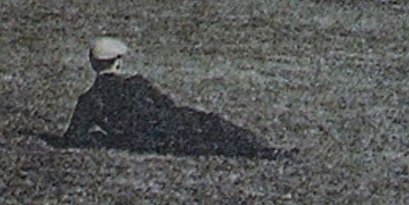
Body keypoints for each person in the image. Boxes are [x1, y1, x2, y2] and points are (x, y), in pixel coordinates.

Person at [58, 38, 281, 158]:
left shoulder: (89, 99)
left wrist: (109, 139)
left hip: (141, 141)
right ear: (118, 62)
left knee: (208, 144)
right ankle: (263, 150)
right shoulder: (135, 83)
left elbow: (73, 138)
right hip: (170, 125)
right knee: (215, 127)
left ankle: (261, 152)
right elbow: (168, 105)